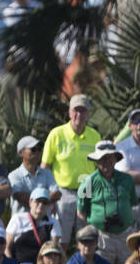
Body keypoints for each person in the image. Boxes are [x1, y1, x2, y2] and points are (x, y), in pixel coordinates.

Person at [41, 94, 104, 246]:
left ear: (88, 114)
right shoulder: (56, 134)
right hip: (63, 193)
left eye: (83, 111)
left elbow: (100, 168)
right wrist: (49, 195)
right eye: (75, 110)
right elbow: (45, 167)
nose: (79, 115)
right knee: (61, 240)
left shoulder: (94, 136)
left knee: (86, 239)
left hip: (87, 192)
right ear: (69, 112)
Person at [77, 140, 136, 263]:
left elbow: (132, 205)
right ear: (97, 161)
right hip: (101, 237)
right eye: (102, 158)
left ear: (115, 159)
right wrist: (91, 235)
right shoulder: (88, 182)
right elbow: (81, 212)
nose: (106, 162)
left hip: (125, 235)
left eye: (110, 158)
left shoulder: (127, 180)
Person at [6, 185, 60, 264]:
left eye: (44, 202)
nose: (41, 205)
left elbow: (54, 248)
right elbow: (7, 248)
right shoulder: (18, 219)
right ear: (30, 202)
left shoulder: (53, 222)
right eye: (37, 201)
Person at [8, 135, 60, 213]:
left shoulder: (47, 173)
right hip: (22, 222)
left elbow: (57, 194)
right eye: (33, 149)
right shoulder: (14, 175)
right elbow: (20, 197)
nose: (37, 152)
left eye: (39, 149)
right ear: (20, 153)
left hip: (44, 223)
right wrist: (46, 194)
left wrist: (32, 197)